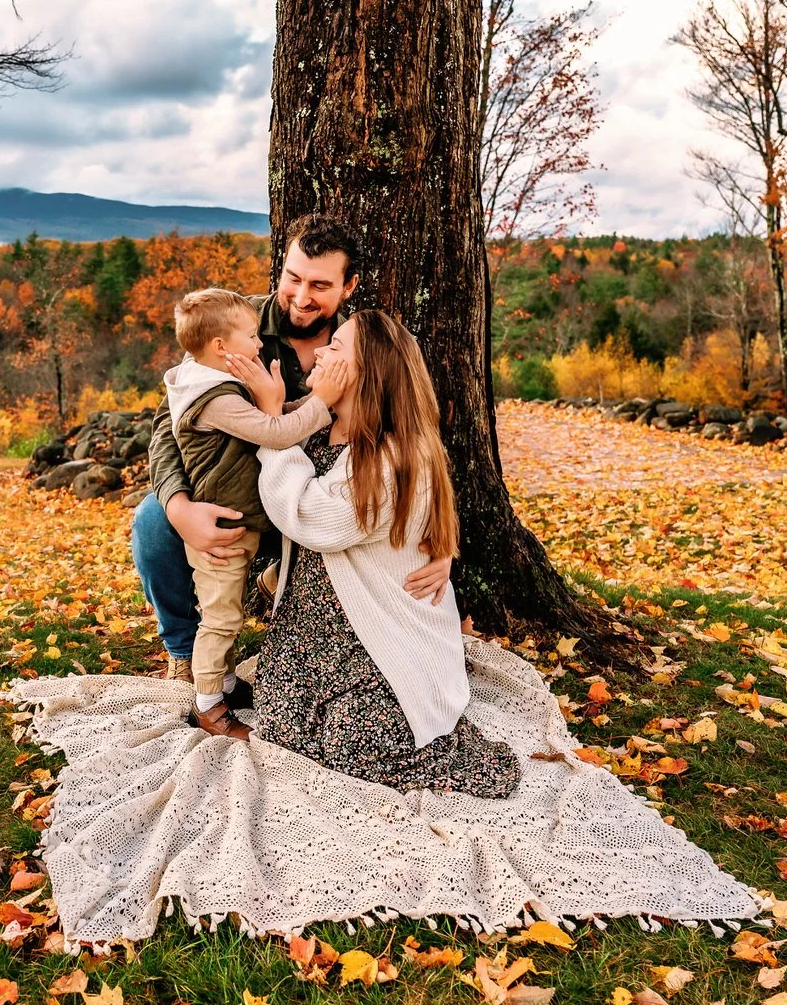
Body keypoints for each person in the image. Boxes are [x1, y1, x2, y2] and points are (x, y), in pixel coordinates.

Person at [132, 215, 452, 682]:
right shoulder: (230, 326)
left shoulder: (360, 344)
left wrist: (436, 541)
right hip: (227, 486)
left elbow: (411, 434)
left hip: (313, 494)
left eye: (320, 285)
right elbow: (170, 421)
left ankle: (271, 589)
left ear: (349, 286)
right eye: (293, 278)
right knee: (151, 521)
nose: (301, 298)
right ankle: (183, 650)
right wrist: (179, 506)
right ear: (280, 268)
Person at [232, 310, 520, 797]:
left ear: (370, 374)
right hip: (311, 635)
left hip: (381, 637)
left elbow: (313, 516)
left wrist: (276, 422)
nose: (320, 352)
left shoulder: (396, 456)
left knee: (355, 744)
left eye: (337, 348)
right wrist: (284, 418)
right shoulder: (316, 427)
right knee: (284, 727)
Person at [160, 288, 353, 740]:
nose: (260, 342)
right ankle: (208, 707)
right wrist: (322, 403)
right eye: (250, 336)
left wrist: (293, 404)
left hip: (239, 521)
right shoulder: (214, 398)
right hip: (222, 528)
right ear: (220, 347)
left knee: (228, 609)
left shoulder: (215, 381)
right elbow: (275, 432)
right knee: (222, 617)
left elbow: (272, 418)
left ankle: (224, 683)